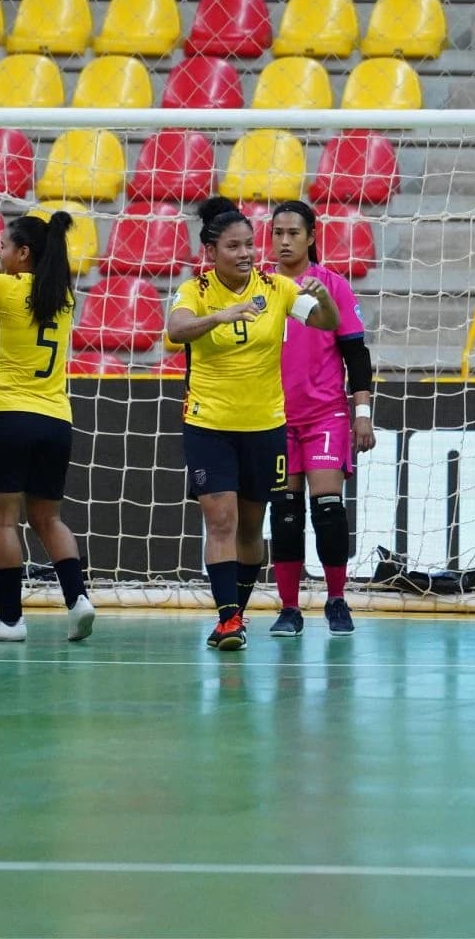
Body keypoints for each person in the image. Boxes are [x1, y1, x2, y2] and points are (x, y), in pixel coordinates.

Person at [167, 197, 341, 652]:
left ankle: (237, 614)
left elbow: (326, 323)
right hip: (210, 424)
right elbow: (175, 330)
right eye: (233, 247)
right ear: (210, 252)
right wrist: (218, 317)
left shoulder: (278, 289)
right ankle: (227, 620)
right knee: (219, 521)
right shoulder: (196, 291)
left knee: (249, 527)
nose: (245, 254)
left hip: (265, 427)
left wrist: (323, 303)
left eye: (249, 245)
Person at [0, 211, 96, 643]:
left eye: (3, 246)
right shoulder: (62, 296)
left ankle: (10, 621)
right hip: (56, 420)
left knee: (2, 523)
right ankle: (78, 600)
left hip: (10, 416)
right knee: (48, 518)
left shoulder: (1, 288)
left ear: (22, 253)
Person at [267, 200, 376, 638]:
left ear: (311, 237)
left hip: (325, 415)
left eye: (293, 232)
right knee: (285, 513)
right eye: (277, 232)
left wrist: (361, 415)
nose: (285, 240)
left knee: (328, 508)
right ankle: (289, 608)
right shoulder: (263, 289)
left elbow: (357, 355)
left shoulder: (332, 287)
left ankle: (336, 600)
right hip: (273, 418)